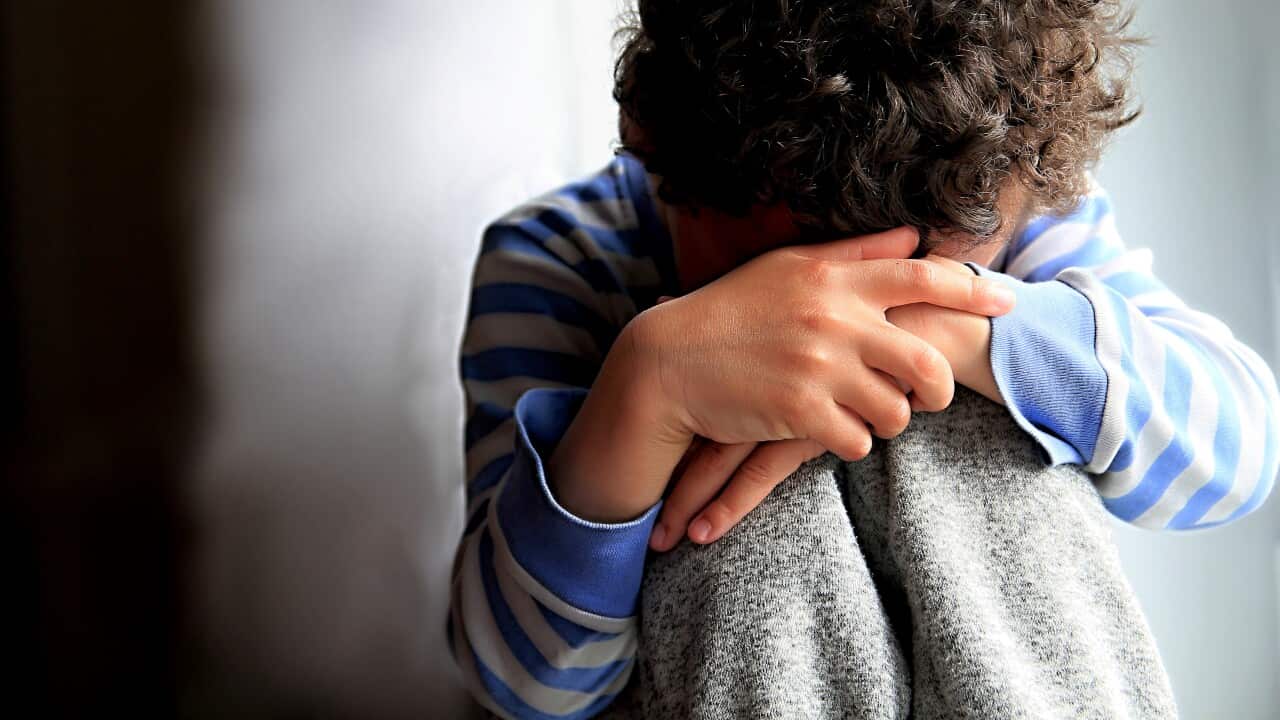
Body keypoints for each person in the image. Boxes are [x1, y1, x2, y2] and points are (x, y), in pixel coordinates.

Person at [447, 1, 1280, 717]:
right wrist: (648, 386)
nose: (832, 315)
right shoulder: (562, 258)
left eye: (919, 265)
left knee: (976, 398)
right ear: (649, 143)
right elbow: (524, 687)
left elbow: (1237, 452)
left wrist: (954, 324)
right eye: (782, 278)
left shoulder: (1013, 206)